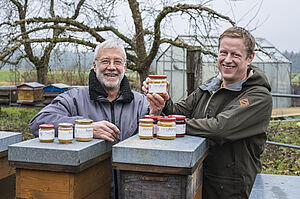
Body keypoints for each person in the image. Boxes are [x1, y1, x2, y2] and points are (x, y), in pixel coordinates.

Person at [143, 27, 272, 198]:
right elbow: (180, 111)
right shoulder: (211, 86)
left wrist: (168, 124)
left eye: (235, 55)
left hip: (232, 190)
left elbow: (219, 128)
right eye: (223, 52)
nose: (227, 60)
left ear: (250, 58)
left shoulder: (258, 96)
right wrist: (162, 103)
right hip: (200, 180)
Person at [30, 39, 149, 199]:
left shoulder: (141, 102)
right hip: (89, 191)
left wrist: (159, 109)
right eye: (105, 61)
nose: (111, 67)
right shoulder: (74, 98)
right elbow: (39, 122)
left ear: (124, 67)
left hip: (133, 192)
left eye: (117, 62)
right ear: (95, 65)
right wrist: (86, 128)